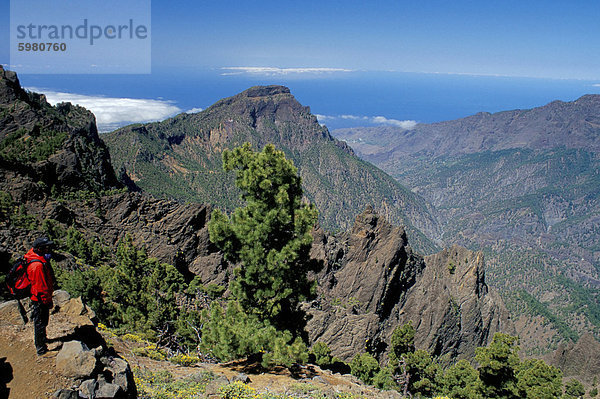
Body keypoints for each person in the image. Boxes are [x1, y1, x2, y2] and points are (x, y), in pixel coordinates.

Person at [25, 237, 55, 355]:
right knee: (40, 323)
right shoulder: (37, 266)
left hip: (39, 297)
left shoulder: (37, 258)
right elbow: (40, 287)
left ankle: (43, 339)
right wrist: (47, 301)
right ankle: (41, 348)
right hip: (39, 299)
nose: (48, 249)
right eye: (46, 247)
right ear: (39, 249)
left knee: (42, 321)